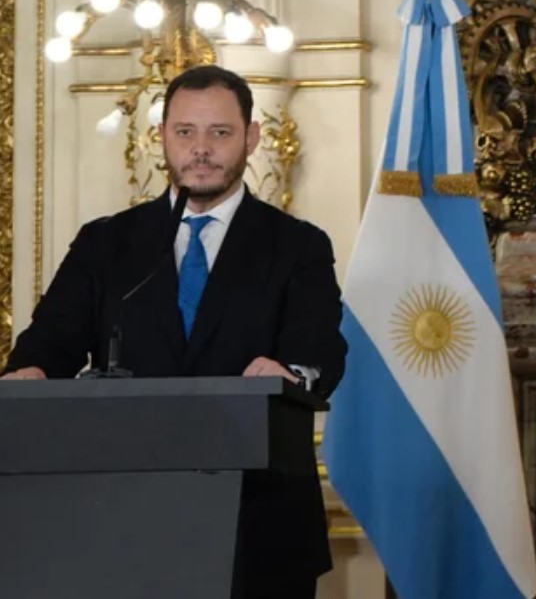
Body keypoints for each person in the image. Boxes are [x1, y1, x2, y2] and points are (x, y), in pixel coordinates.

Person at [2, 64, 348, 599]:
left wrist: (290, 374)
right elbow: (50, 340)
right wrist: (32, 371)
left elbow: (320, 347)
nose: (200, 149)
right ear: (161, 136)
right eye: (185, 132)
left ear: (252, 138)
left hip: (259, 524)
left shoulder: (298, 245)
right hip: (121, 520)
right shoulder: (106, 243)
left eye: (220, 132)